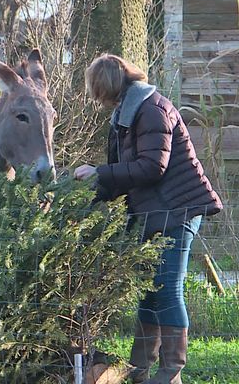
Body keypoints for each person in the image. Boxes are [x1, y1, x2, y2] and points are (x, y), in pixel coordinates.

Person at [74, 54, 222, 384]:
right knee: (149, 291)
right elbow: (124, 176)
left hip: (177, 210)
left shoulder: (151, 109)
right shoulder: (127, 113)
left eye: (97, 91)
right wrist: (85, 196)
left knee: (167, 290)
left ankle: (170, 373)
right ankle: (140, 369)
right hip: (155, 212)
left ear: (108, 86)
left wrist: (99, 171)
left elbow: (153, 167)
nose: (98, 100)